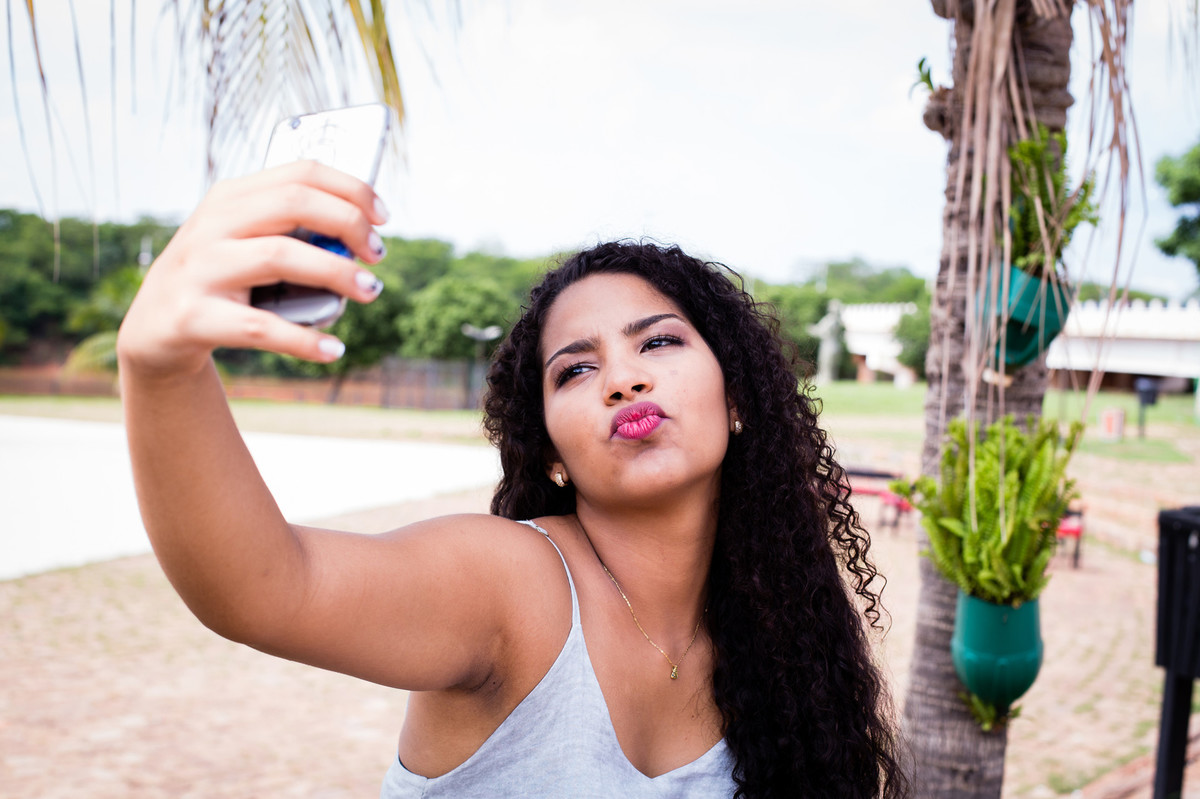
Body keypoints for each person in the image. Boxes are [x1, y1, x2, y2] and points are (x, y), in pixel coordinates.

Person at [117, 162, 908, 798]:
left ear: (737, 399)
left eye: (658, 342)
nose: (623, 380)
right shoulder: (514, 587)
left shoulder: (775, 625)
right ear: (553, 453)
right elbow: (268, 587)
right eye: (576, 369)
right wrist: (160, 368)